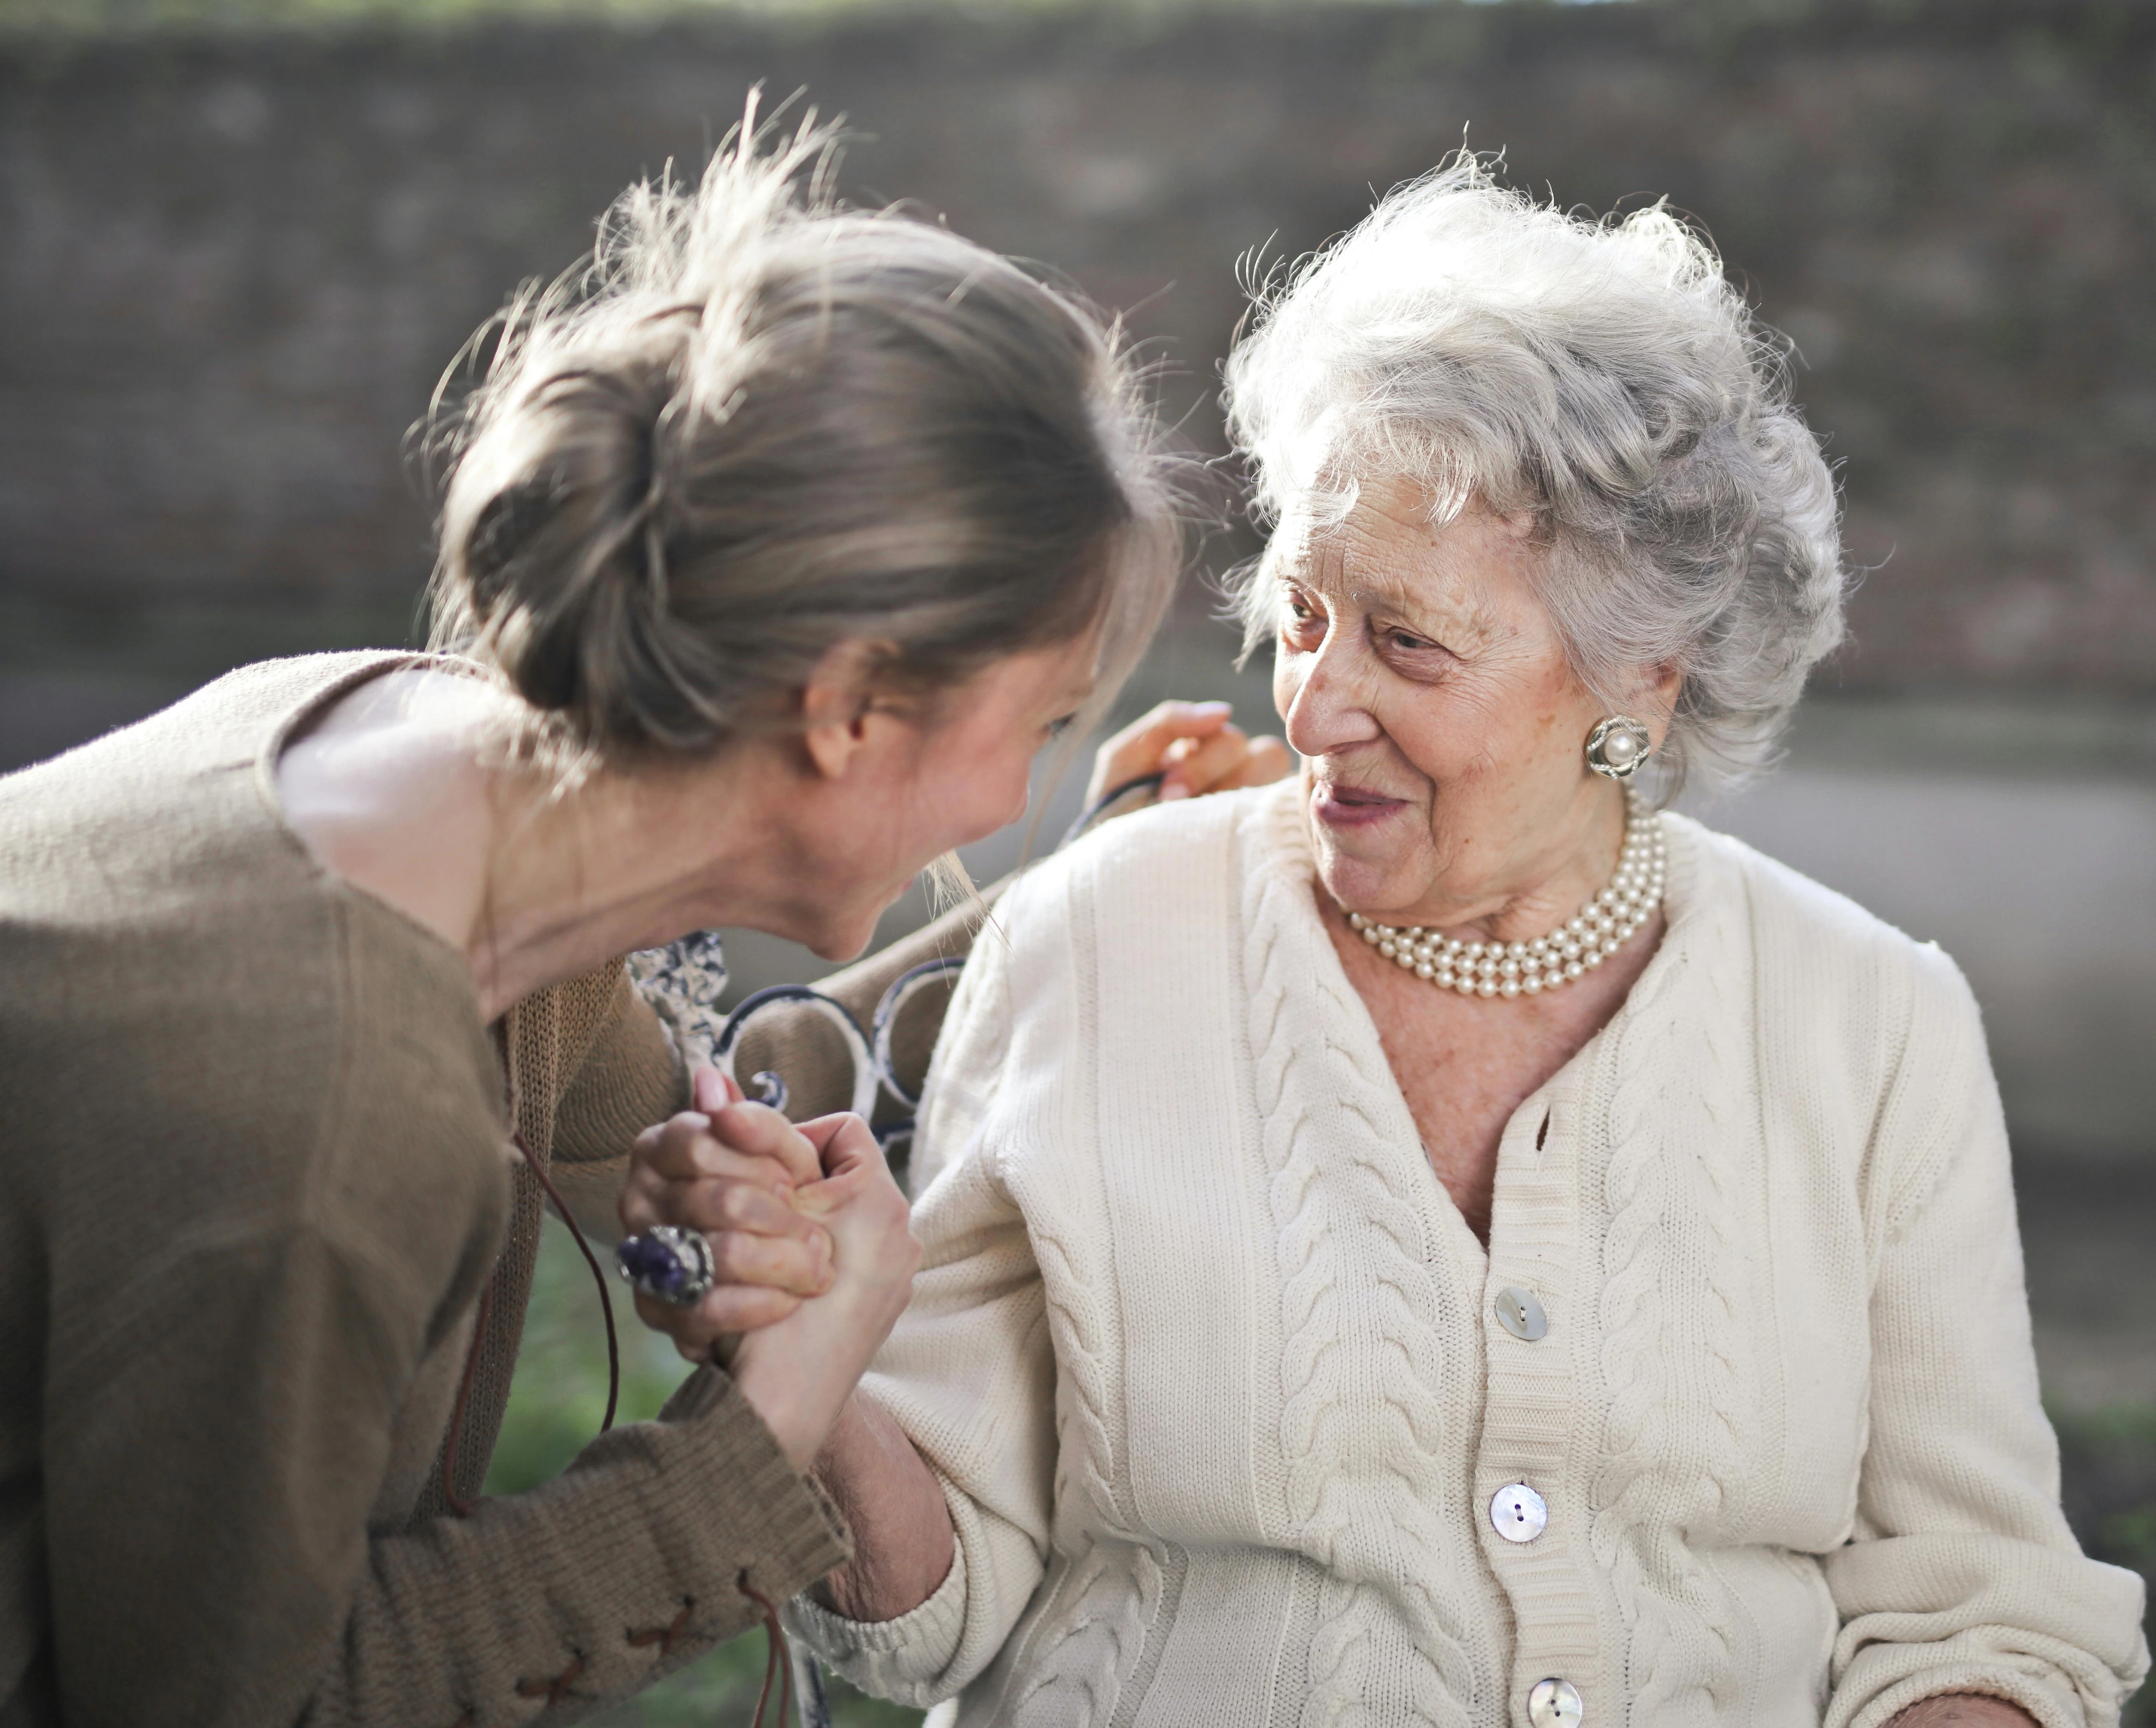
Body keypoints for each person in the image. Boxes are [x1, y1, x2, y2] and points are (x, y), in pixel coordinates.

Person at [633, 162, 2151, 1727]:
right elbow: (926, 1615)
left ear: (1641, 680)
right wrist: (811, 1369)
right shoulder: (1098, 938)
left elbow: (1980, 1610)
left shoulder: (1873, 1021)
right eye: (1301, 614)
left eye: (1406, 639)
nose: (1314, 701)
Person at [0, 114, 1189, 1727]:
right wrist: (756, 1439)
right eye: (1041, 725)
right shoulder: (327, 1100)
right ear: (848, 711)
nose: (1008, 803)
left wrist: (720, 1198)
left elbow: (665, 1121)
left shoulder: (398, 754)